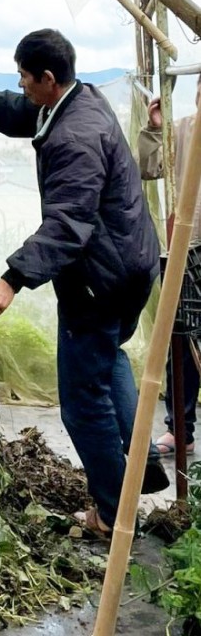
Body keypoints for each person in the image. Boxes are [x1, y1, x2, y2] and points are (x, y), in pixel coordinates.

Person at [0, 28, 169, 537]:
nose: (21, 84)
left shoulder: (75, 139)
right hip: (129, 264)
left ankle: (112, 515)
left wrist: (11, 280)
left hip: (99, 277)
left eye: (25, 76)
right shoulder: (76, 101)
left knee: (82, 403)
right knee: (107, 359)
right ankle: (142, 466)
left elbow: (68, 225)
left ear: (48, 78)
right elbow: (16, 110)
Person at [139, 77, 201, 457]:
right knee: (179, 341)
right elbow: (149, 169)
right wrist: (155, 127)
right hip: (187, 247)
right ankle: (180, 429)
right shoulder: (183, 128)